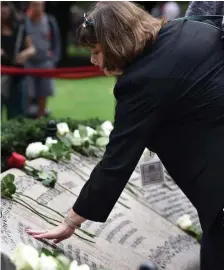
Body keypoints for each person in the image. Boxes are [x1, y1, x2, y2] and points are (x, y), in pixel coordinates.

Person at [26, 2, 224, 269]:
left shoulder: (141, 81)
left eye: (96, 51)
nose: (93, 61)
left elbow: (116, 162)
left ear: (116, 42)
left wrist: (70, 221)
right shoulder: (186, 29)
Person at [24, 1, 61, 119]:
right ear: (30, 6)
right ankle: (26, 117)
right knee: (28, 92)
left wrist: (54, 60)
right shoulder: (24, 22)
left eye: (39, 5)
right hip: (28, 62)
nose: (37, 8)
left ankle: (40, 117)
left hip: (45, 62)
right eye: (34, 4)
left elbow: (56, 42)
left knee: (44, 93)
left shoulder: (49, 21)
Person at [1, 2, 35, 119]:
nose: (2, 9)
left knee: (17, 114)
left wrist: (24, 54)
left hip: (17, 76)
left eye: (5, 5)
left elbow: (32, 49)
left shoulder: (19, 28)